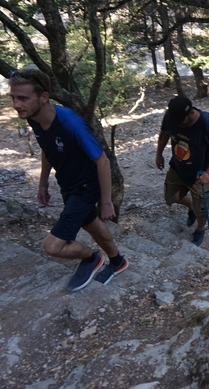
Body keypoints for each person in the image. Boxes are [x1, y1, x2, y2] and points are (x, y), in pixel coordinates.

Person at [9, 66, 127, 292]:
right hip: (67, 183)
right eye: (13, 98)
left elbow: (102, 161)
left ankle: (92, 258)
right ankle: (117, 261)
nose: (16, 105)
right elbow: (47, 148)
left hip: (86, 186)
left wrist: (106, 200)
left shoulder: (71, 123)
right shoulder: (34, 117)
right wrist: (43, 183)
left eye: (22, 98)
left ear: (44, 97)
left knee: (52, 247)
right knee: (90, 223)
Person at [155, 96, 209, 247]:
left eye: (181, 121)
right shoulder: (171, 116)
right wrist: (159, 154)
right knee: (171, 197)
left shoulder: (206, 123)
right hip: (177, 167)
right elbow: (164, 133)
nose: (178, 125)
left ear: (190, 113)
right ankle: (191, 207)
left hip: (200, 173)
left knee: (202, 208)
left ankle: (200, 228)